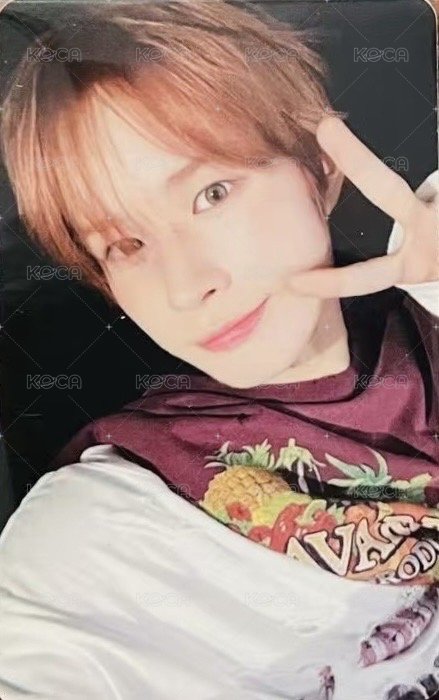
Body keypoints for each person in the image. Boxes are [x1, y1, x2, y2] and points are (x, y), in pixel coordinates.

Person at [0, 1, 438, 697]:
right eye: (125, 244)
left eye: (212, 193)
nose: (185, 286)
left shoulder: (425, 326)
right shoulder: (100, 537)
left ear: (319, 166)